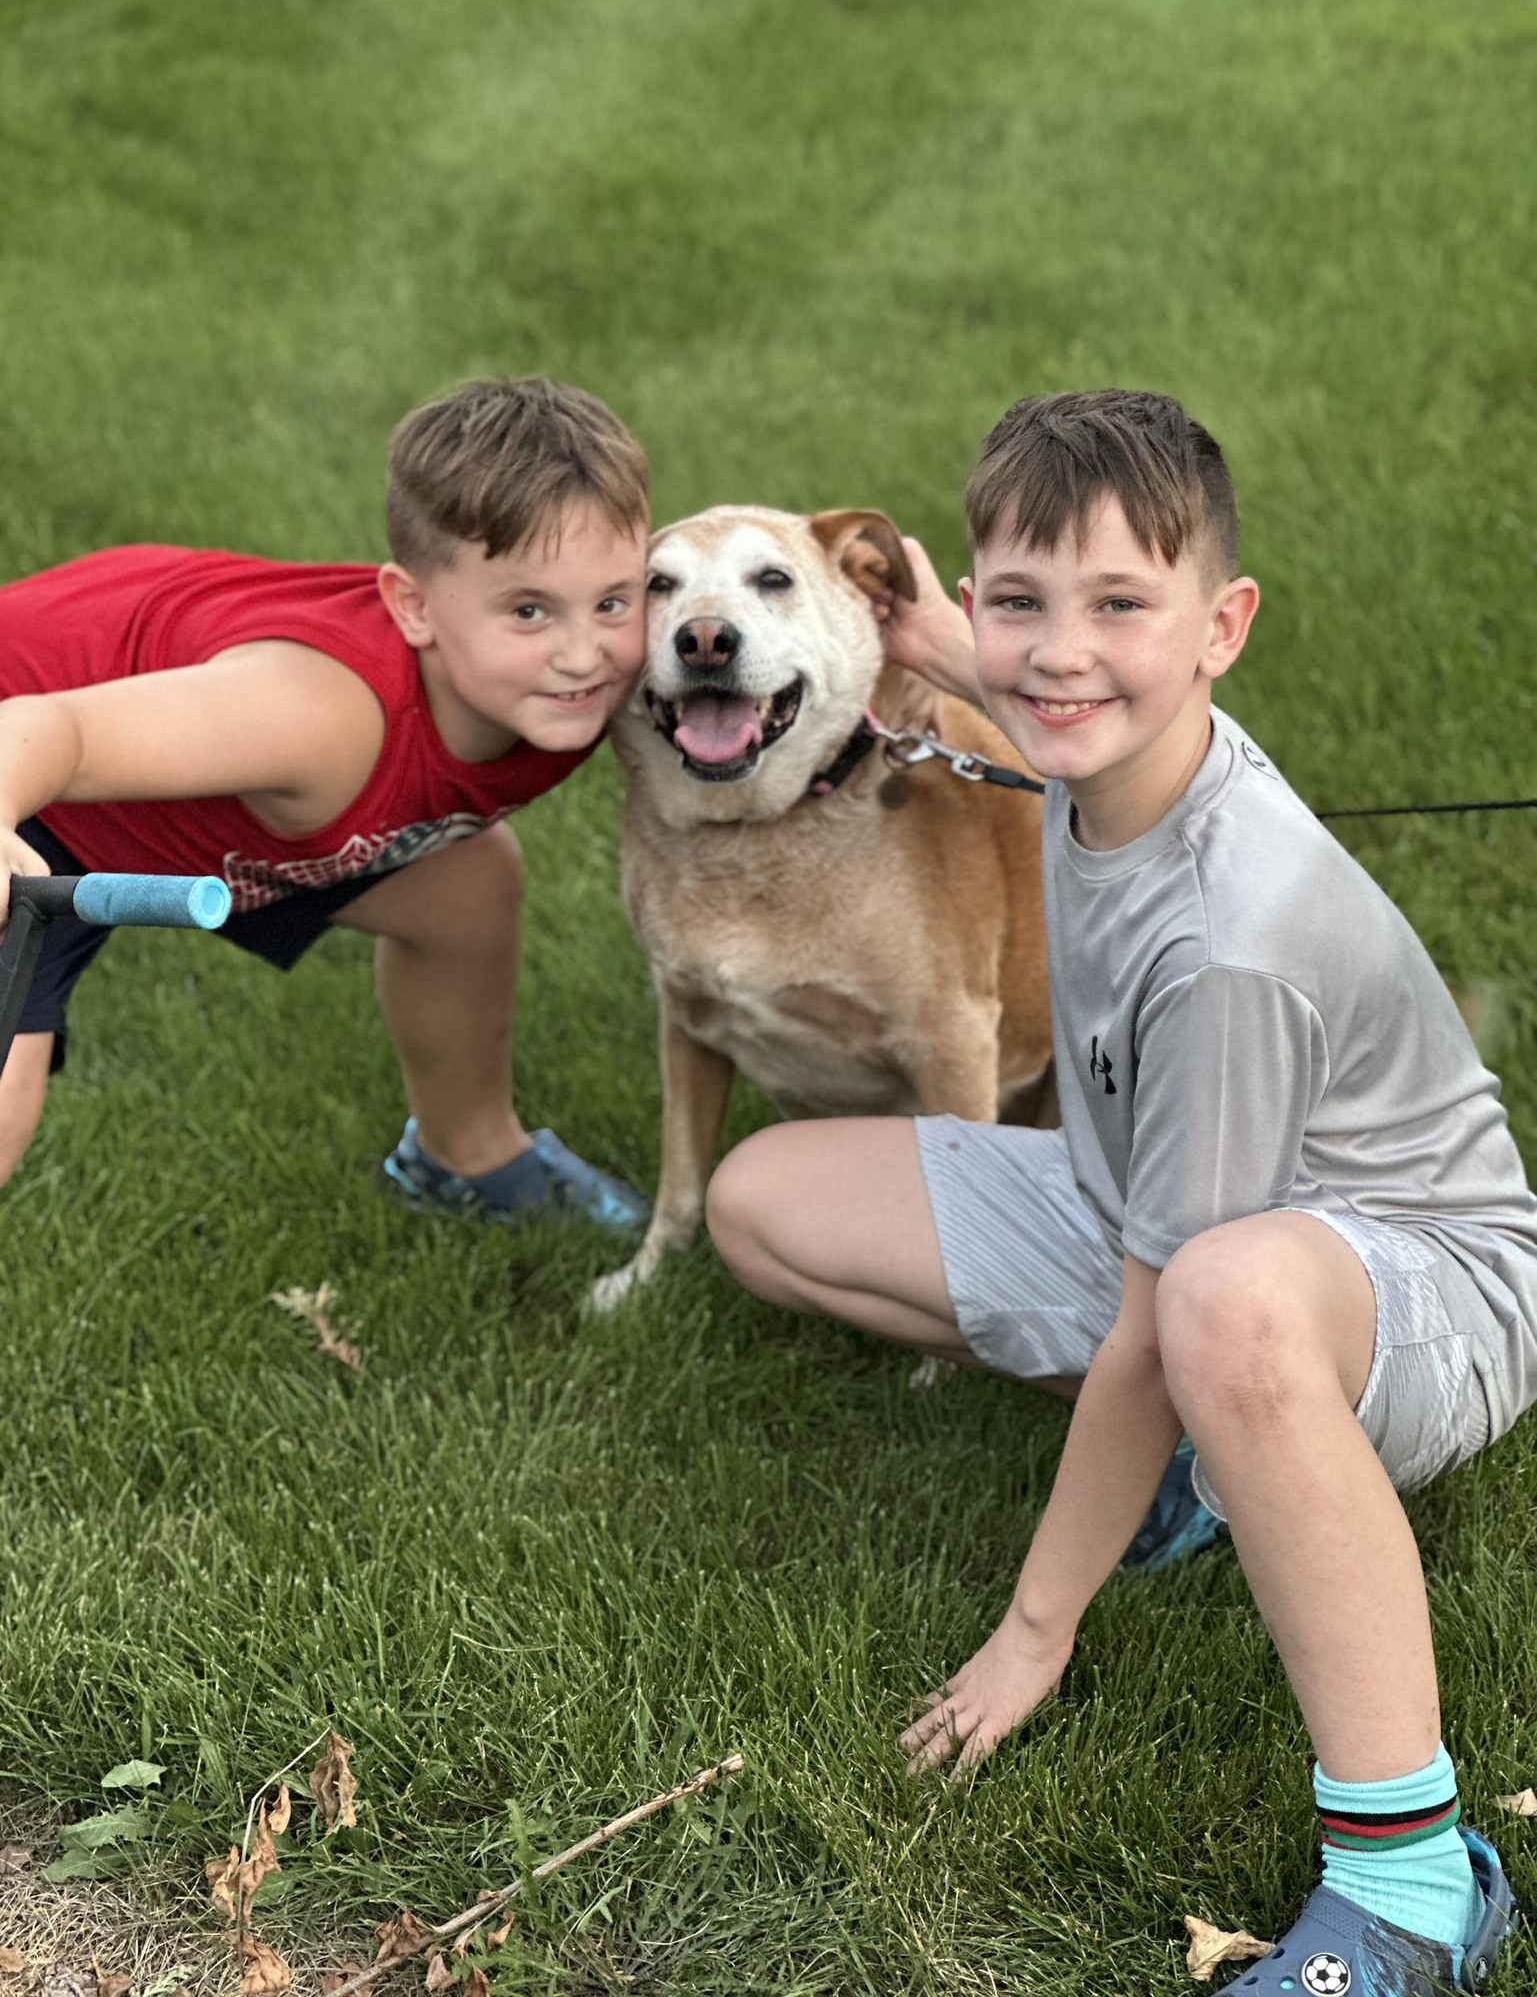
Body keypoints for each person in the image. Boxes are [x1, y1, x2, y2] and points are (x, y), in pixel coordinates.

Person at [707, 390, 1533, 1991]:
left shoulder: (1227, 942)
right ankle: (1214, 1473)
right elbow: (1036, 663)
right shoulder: (1107, 748)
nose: (1061, 653)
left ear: (1224, 628)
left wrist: (1034, 1629)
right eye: (1020, 602)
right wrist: (948, 649)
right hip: (1172, 1195)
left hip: (1418, 1289)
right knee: (763, 1199)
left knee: (1209, 1319)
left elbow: (1164, 1322)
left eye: (1118, 609)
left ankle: (1417, 1875)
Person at [0, 376, 650, 1230]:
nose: (583, 653)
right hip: (36, 782)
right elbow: (54, 732)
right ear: (412, 607)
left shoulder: (608, 680)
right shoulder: (322, 717)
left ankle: (468, 1157)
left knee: (466, 885)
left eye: (613, 601)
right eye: (528, 611)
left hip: (194, 809)